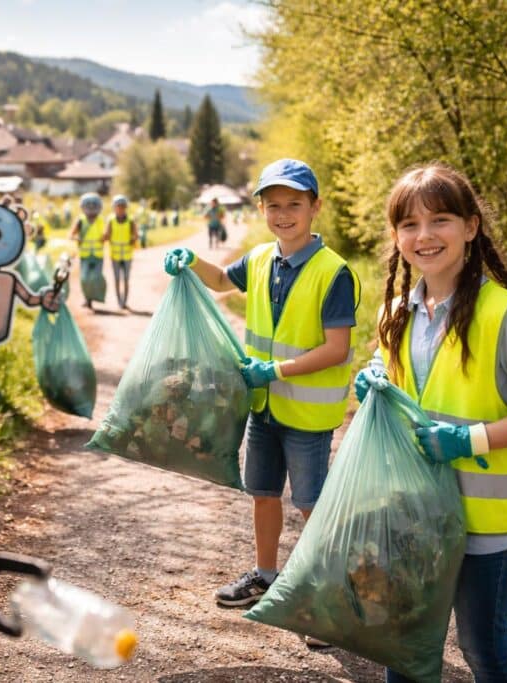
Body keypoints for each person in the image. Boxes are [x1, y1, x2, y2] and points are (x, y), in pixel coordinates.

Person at [355, 162, 507, 682]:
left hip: (487, 524)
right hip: (412, 514)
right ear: (396, 236)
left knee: (482, 648)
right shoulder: (397, 312)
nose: (424, 236)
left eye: (441, 220)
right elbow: (403, 383)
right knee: (404, 643)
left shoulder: (506, 316)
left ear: (471, 227)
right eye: (409, 224)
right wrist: (372, 380)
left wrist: (467, 439)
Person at [164, 159, 358, 641]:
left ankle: (326, 598)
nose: (283, 214)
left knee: (312, 505)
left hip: (307, 414)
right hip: (264, 409)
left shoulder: (333, 272)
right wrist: (190, 260)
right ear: (262, 210)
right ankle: (266, 577)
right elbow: (219, 281)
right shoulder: (258, 259)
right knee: (263, 493)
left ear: (316, 207)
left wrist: (276, 370)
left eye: (294, 204)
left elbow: (338, 348)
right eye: (273, 206)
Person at [70, 192, 106, 308]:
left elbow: (106, 234)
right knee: (84, 278)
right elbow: (71, 234)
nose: (91, 208)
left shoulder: (101, 220)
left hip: (98, 255)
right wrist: (77, 238)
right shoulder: (80, 221)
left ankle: (97, 297)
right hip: (85, 255)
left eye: (93, 205)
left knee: (96, 277)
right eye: (88, 205)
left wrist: (105, 237)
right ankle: (87, 299)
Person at [104, 194, 138, 310]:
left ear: (125, 207)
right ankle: (119, 301)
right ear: (114, 207)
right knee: (117, 279)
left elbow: (136, 235)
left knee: (126, 280)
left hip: (127, 255)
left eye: (122, 206)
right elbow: (107, 235)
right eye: (118, 206)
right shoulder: (111, 221)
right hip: (115, 255)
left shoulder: (131, 221)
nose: (120, 208)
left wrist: (133, 239)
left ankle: (124, 301)